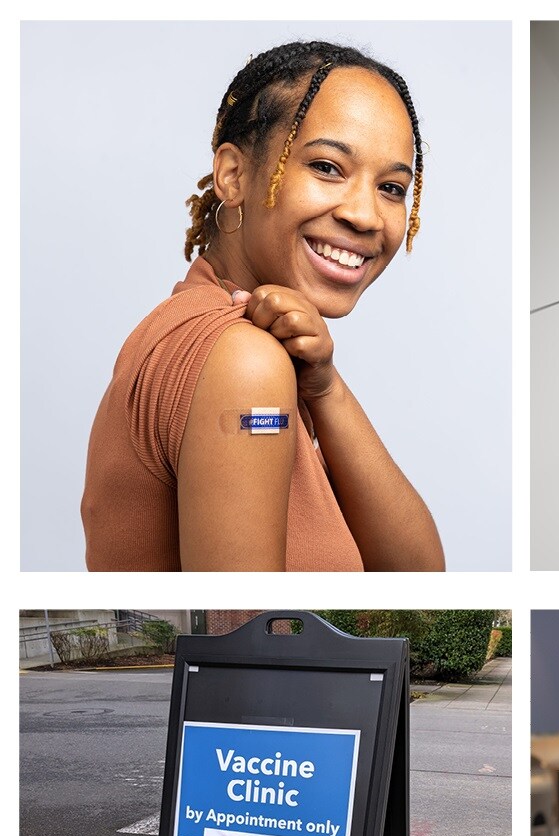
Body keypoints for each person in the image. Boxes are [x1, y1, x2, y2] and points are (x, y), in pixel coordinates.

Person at [81, 41, 444, 571]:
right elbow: (246, 632)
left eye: (391, 187)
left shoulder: (227, 340)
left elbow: (421, 585)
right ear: (233, 175)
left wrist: (325, 387)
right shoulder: (244, 364)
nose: (367, 215)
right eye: (327, 167)